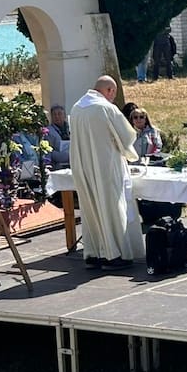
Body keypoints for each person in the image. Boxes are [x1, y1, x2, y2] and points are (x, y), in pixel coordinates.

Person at [70, 76, 142, 269]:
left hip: (83, 167)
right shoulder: (105, 108)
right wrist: (130, 153)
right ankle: (114, 254)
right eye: (114, 93)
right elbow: (126, 136)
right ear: (109, 90)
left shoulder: (77, 108)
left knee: (91, 209)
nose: (113, 98)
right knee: (111, 207)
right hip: (105, 167)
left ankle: (94, 253)